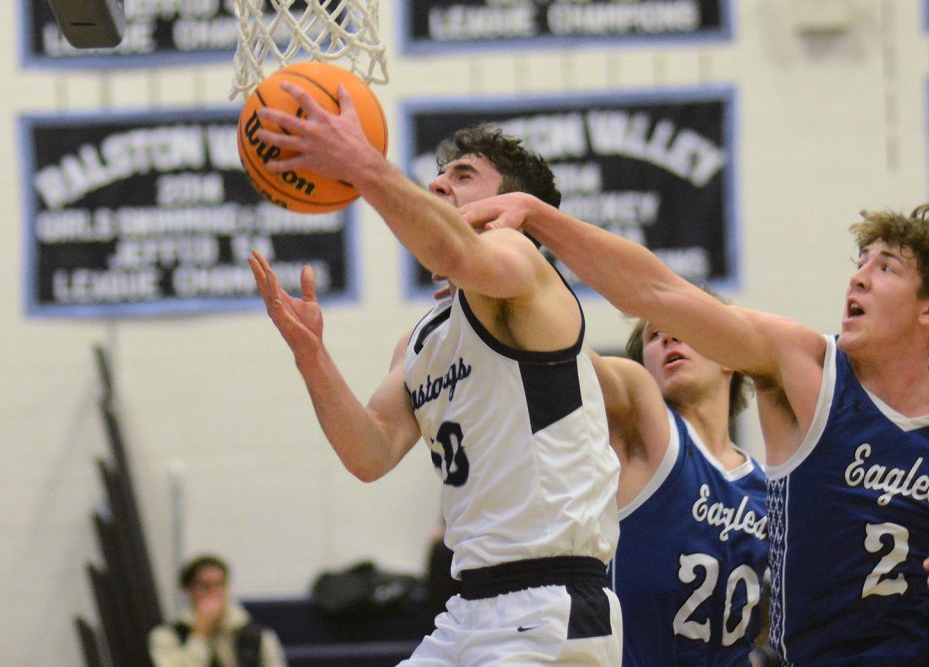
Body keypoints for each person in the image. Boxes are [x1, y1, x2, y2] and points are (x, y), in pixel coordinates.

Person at [461, 193, 929, 666]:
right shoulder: (804, 367)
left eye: (886, 269)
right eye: (862, 261)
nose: (859, 277)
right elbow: (658, 291)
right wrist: (539, 217)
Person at [247, 89, 623, 665]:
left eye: (463, 175)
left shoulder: (523, 267)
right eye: (439, 175)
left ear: (511, 205)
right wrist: (311, 356)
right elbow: (369, 454)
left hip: (550, 600)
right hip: (469, 605)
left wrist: (360, 163)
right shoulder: (420, 340)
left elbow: (458, 252)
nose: (439, 184)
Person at [602, 311, 770, 667]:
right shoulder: (644, 436)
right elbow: (559, 350)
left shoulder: (768, 490)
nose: (668, 337)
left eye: (685, 325)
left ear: (729, 354)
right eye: (653, 335)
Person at [149, 553, 287, 667]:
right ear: (189, 590)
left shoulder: (257, 635)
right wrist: (200, 632)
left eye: (219, 585)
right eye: (205, 586)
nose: (213, 593)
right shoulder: (167, 636)